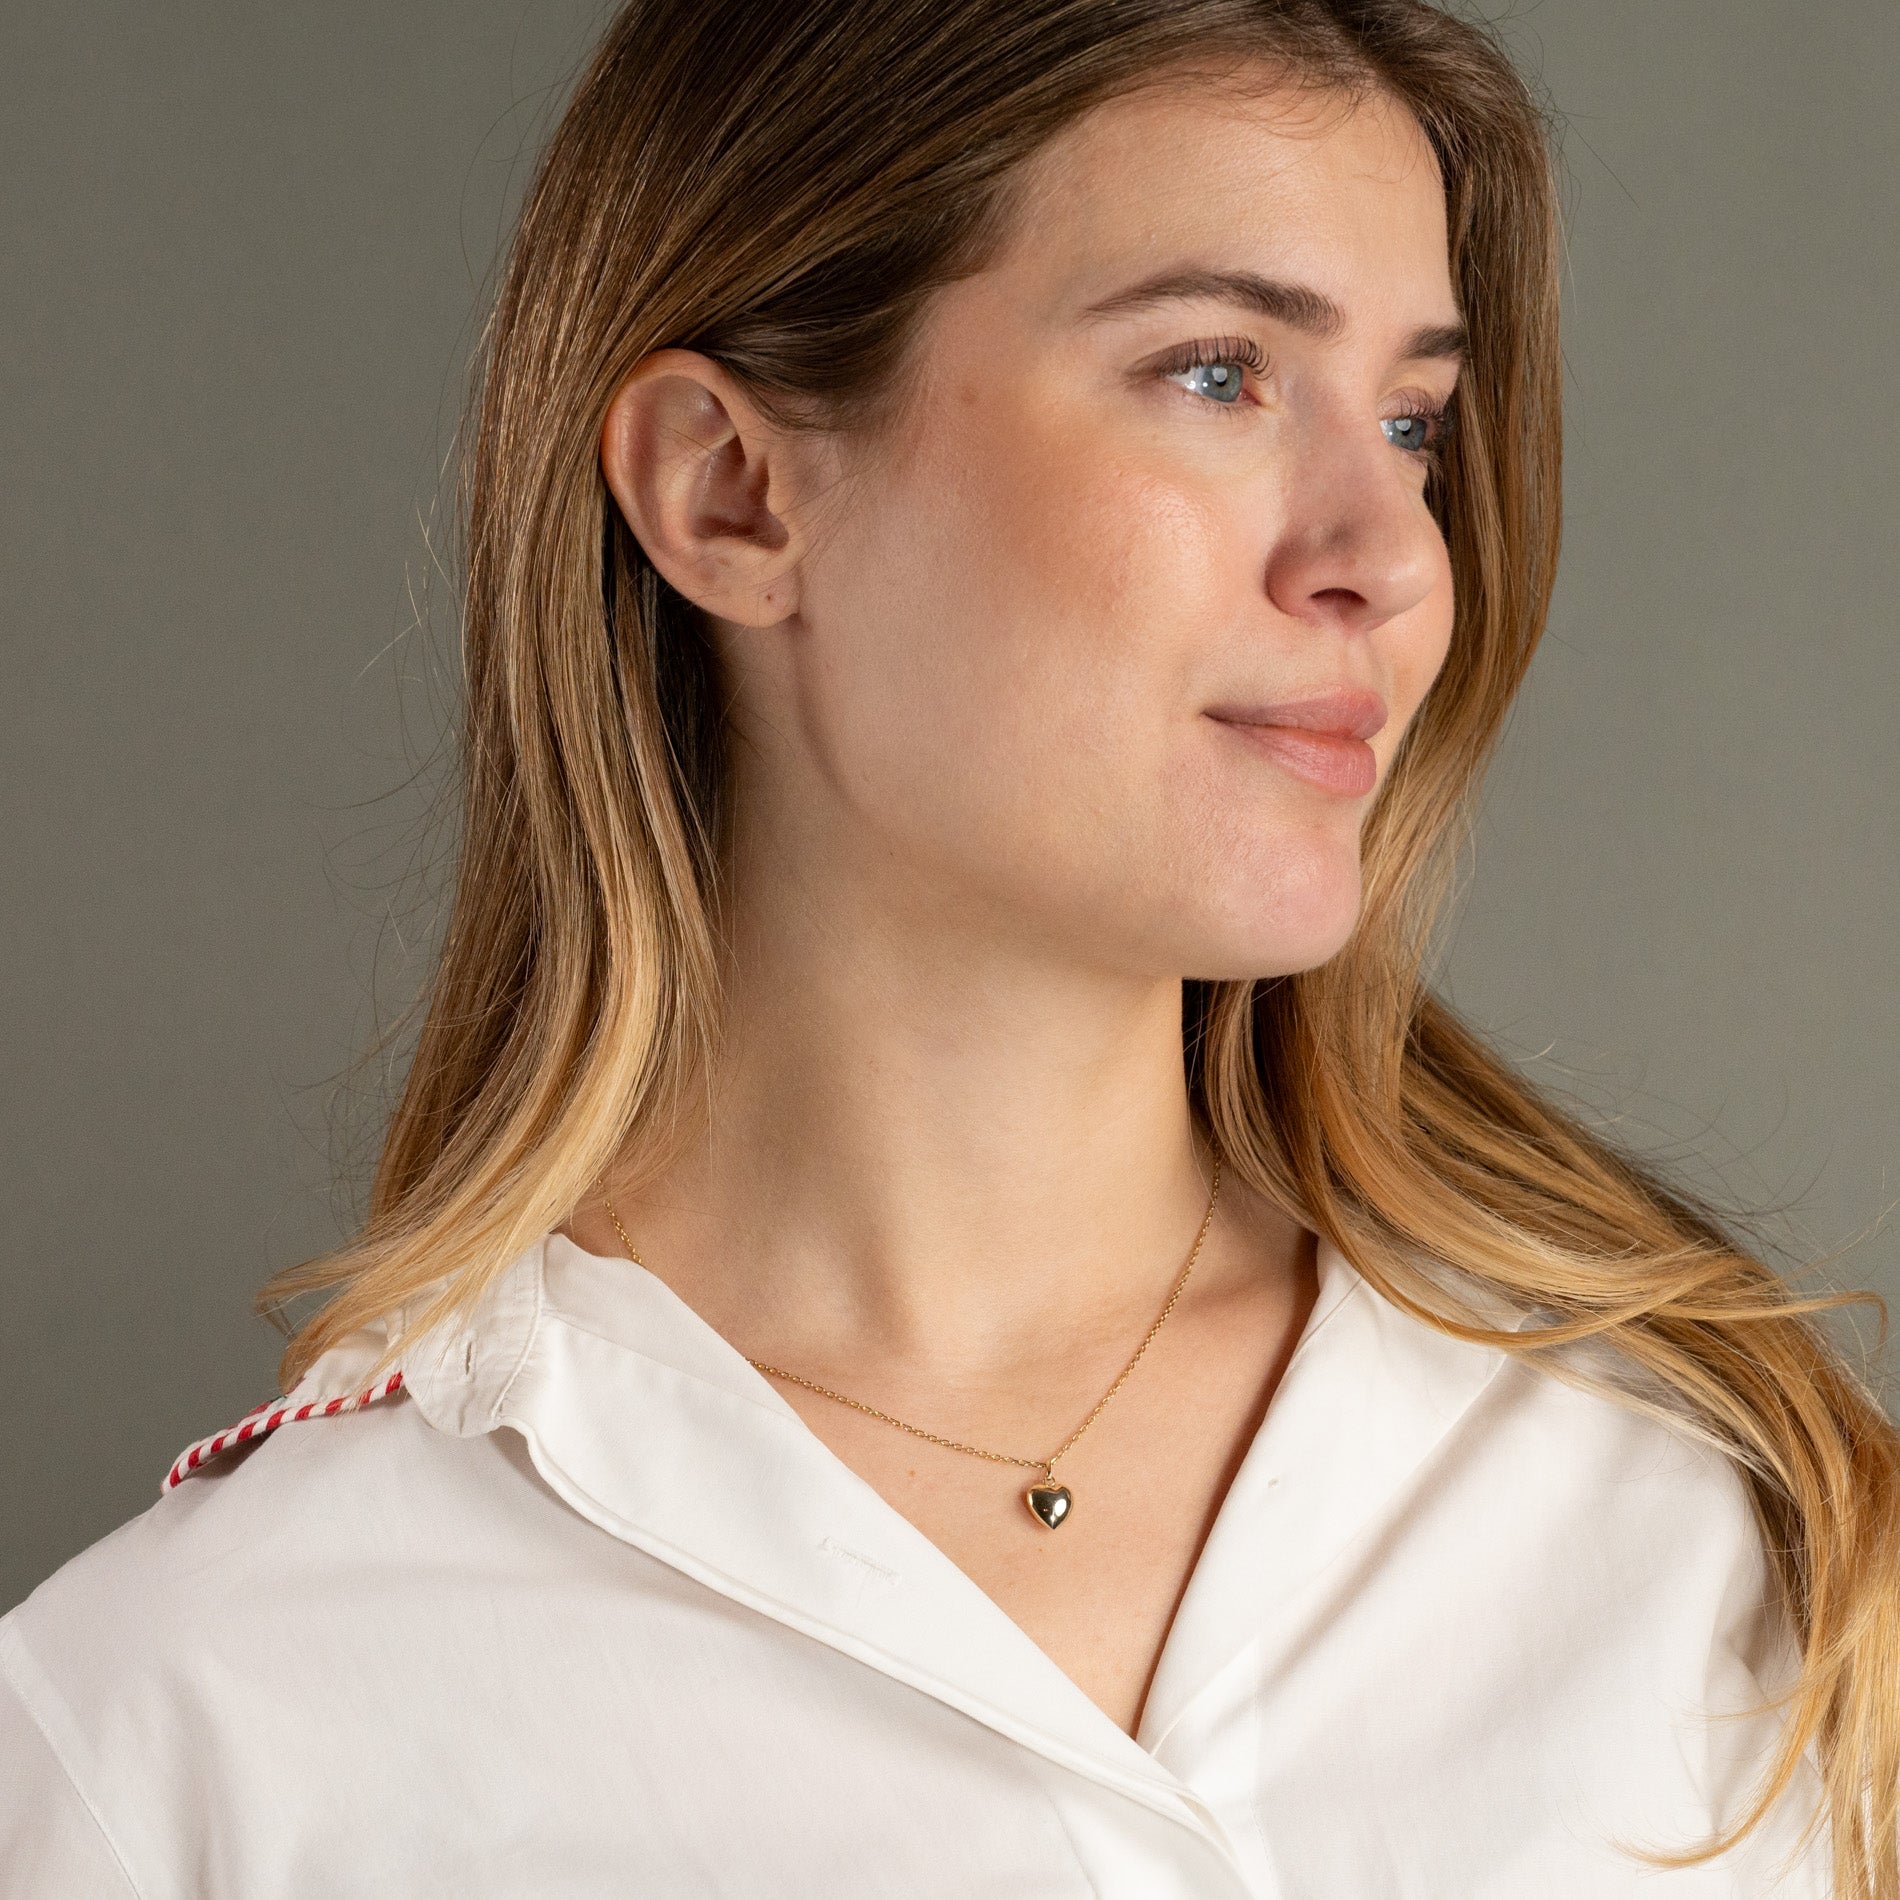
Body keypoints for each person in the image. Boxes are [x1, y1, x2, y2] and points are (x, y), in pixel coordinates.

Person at [3, 1, 1894, 1894]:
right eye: (1219, 373)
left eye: (1412, 422)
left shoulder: (1740, 1541)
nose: (1390, 554)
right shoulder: (183, 1731)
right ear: (732, 491)